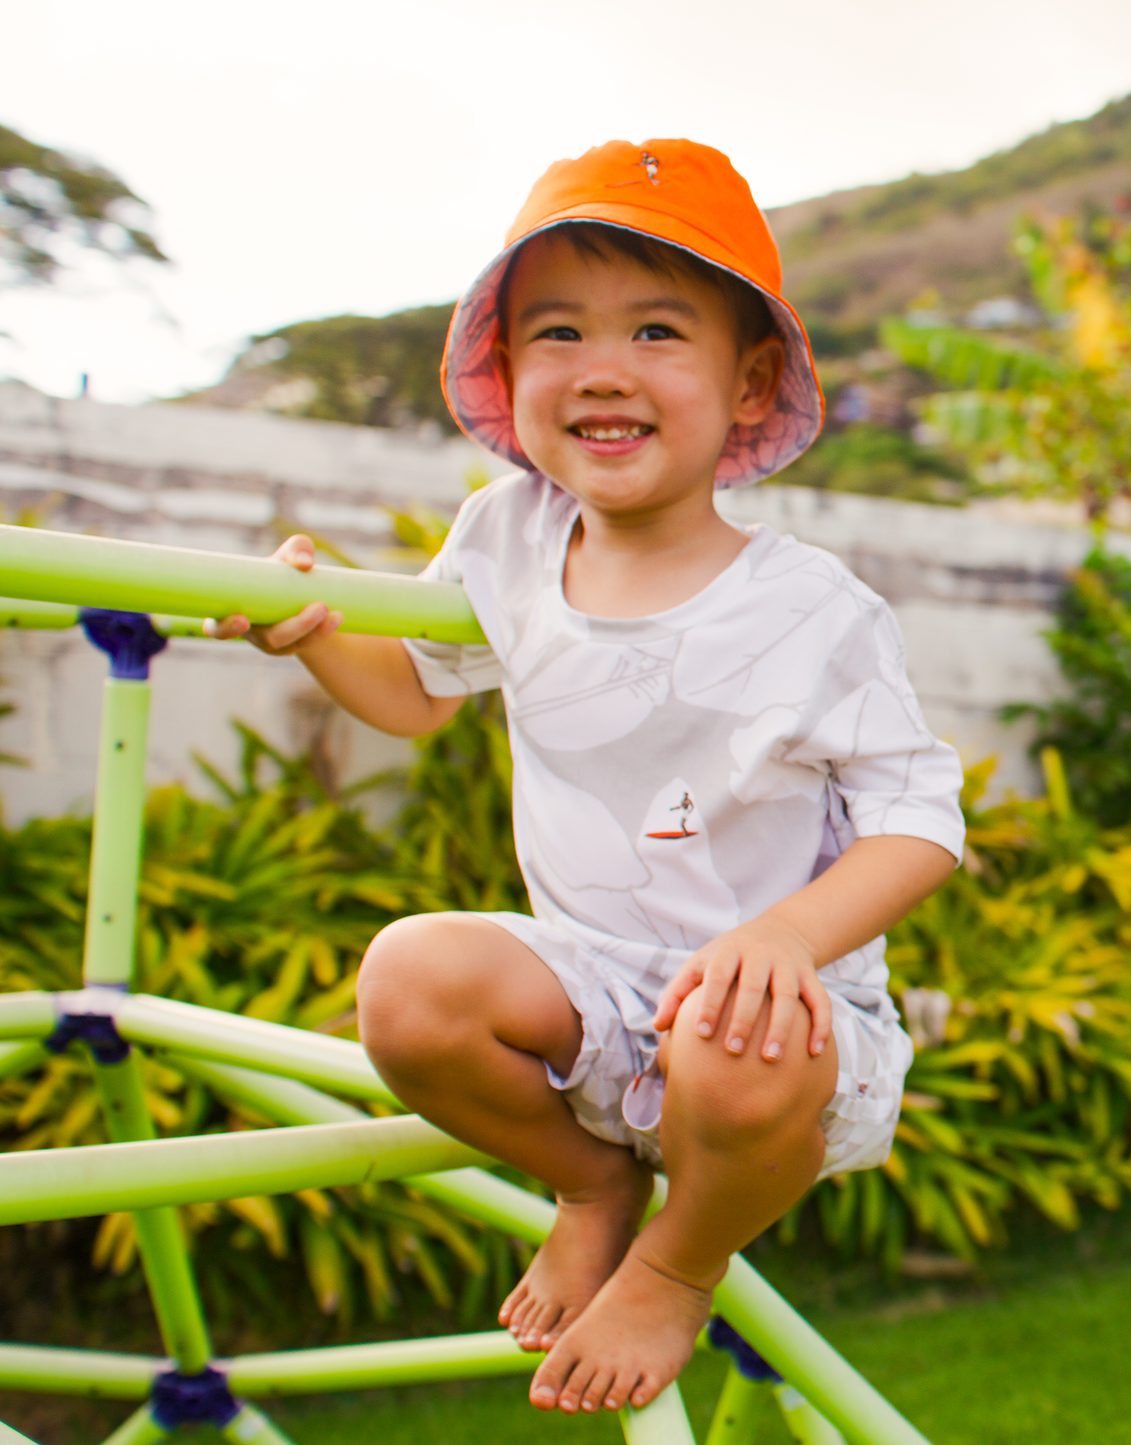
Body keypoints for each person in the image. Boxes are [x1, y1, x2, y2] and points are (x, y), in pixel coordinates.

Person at [208, 139, 964, 1417]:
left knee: (733, 1032)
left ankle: (677, 1259)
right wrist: (323, 629)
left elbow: (920, 825)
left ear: (748, 381)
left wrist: (782, 938)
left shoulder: (812, 611)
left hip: (779, 1024)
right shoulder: (503, 535)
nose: (603, 369)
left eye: (659, 330)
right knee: (407, 980)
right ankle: (592, 1182)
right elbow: (414, 693)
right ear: (509, 371)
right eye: (556, 330)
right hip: (594, 986)